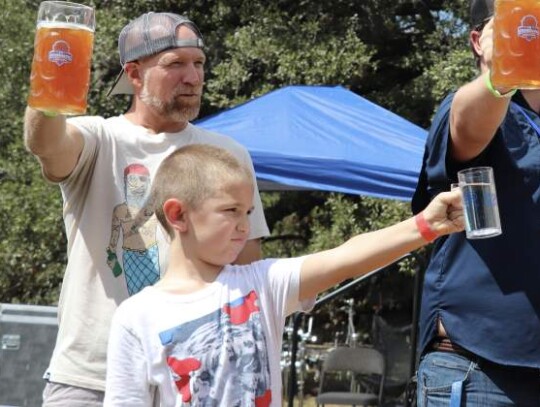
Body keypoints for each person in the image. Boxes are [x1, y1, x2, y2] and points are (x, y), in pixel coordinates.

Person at [23, 12, 269, 406]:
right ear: (134, 75)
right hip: (91, 379)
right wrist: (51, 83)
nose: (193, 77)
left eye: (199, 63)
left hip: (190, 378)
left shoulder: (227, 154)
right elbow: (46, 145)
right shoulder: (100, 138)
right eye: (175, 64)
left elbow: (246, 268)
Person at [104, 143, 463, 406]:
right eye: (230, 211)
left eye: (248, 211)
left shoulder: (261, 283)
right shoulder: (136, 317)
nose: (245, 226)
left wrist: (426, 226)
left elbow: (348, 256)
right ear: (178, 215)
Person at [411, 0, 540, 405]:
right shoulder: (476, 104)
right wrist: (503, 73)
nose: (530, 31)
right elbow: (467, 127)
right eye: (518, 23)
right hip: (478, 368)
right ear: (477, 40)